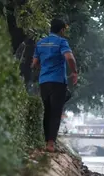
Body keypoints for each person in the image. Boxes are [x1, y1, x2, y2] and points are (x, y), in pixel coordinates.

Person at [32, 18, 78, 152]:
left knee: (47, 111)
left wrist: (45, 68)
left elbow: (34, 64)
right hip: (58, 82)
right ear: (62, 30)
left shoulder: (40, 43)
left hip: (44, 82)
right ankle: (51, 144)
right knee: (56, 112)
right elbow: (69, 58)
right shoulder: (61, 42)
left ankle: (47, 142)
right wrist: (74, 72)